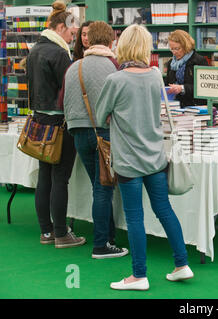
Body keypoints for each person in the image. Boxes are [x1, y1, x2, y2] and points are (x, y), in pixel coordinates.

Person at [95, 24, 194, 291]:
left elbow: (99, 114)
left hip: (128, 160)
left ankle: (139, 275)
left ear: (123, 45)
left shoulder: (115, 80)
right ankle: (181, 264)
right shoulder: (154, 76)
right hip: (155, 157)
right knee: (164, 210)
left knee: (134, 217)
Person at [63, 21, 127, 259]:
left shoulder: (74, 67)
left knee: (98, 186)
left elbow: (65, 103)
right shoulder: (113, 66)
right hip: (103, 131)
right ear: (111, 41)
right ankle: (101, 244)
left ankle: (108, 237)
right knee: (104, 189)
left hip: (79, 132)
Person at [26, 1, 85, 248]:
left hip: (39, 120)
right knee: (61, 179)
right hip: (60, 122)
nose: (73, 39)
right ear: (62, 27)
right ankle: (61, 233)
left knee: (45, 178)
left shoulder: (35, 50)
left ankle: (47, 232)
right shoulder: (59, 53)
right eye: (72, 34)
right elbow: (69, 90)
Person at [165, 29, 209, 107]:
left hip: (195, 106)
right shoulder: (171, 63)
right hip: (175, 106)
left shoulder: (199, 61)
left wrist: (182, 88)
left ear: (186, 46)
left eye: (177, 49)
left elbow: (204, 87)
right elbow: (168, 84)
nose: (174, 52)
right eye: (172, 49)